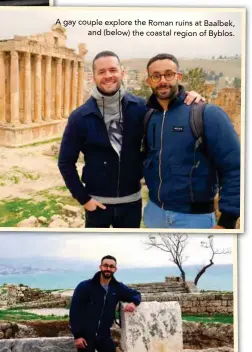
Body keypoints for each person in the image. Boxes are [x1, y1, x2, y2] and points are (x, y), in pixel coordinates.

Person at [58, 50, 203, 228]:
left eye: (113, 70)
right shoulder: (80, 117)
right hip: (96, 205)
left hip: (131, 204)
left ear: (122, 73)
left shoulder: (142, 108)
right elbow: (65, 162)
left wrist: (190, 96)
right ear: (93, 76)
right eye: (101, 72)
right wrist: (84, 199)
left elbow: (170, 107)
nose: (108, 76)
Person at [143, 53, 240, 229]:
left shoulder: (207, 114)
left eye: (169, 74)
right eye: (156, 76)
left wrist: (228, 221)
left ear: (179, 77)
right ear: (149, 81)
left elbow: (235, 167)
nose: (163, 80)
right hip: (154, 213)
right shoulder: (149, 116)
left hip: (194, 219)